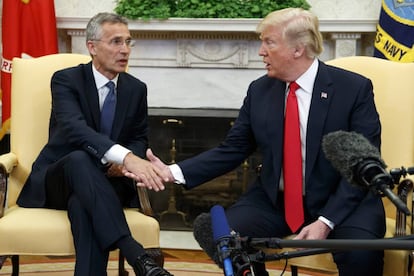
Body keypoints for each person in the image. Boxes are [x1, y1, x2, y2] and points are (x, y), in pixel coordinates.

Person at [139, 7, 386, 276]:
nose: (261, 51)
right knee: (213, 230)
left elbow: (361, 167)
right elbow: (233, 149)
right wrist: (171, 172)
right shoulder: (260, 90)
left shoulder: (353, 89)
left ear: (298, 49)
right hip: (276, 202)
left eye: (269, 42)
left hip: (342, 200)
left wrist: (326, 221)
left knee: (361, 255)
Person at [16, 12, 172, 276]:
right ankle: (136, 254)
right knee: (79, 159)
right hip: (60, 178)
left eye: (128, 42)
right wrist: (126, 158)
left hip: (108, 182)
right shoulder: (66, 80)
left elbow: (138, 138)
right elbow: (75, 130)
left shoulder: (136, 89)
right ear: (92, 47)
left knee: (83, 204)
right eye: (115, 42)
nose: (125, 50)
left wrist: (122, 162)